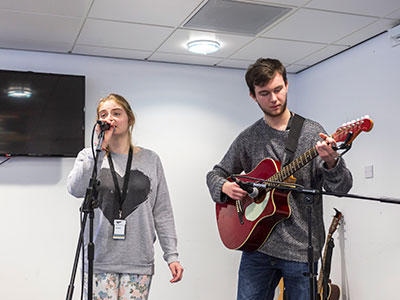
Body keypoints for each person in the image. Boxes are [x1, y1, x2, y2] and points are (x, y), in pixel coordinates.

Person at [206, 58, 352, 300]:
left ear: (286, 85)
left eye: (278, 89)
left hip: (301, 248)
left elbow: (342, 188)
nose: (273, 99)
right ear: (253, 96)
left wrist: (332, 162)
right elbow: (216, 173)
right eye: (264, 93)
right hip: (257, 245)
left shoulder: (312, 133)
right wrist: (224, 186)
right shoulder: (249, 137)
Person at [67, 93, 183, 300]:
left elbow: (162, 210)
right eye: (103, 114)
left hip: (138, 260)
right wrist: (98, 151)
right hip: (99, 260)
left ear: (130, 119)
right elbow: (75, 189)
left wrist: (171, 254)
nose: (109, 118)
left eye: (116, 113)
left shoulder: (150, 159)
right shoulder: (89, 156)